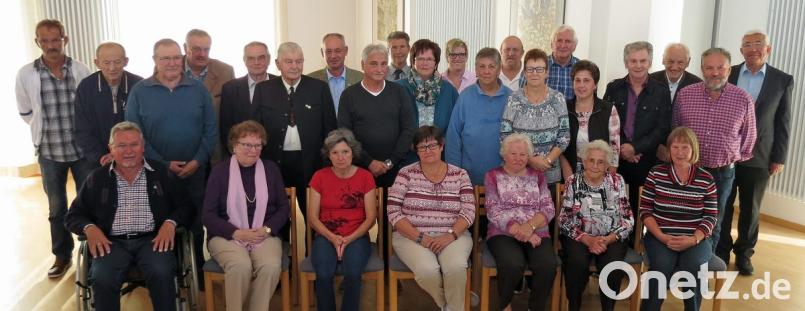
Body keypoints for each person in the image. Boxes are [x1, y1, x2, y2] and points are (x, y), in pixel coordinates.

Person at [65, 121, 193, 311]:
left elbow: (187, 206)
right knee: (102, 277)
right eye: (121, 146)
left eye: (134, 144)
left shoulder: (161, 173)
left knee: (162, 271)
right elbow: (73, 215)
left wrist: (170, 223)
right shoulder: (97, 178)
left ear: (143, 147)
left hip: (153, 239)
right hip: (111, 242)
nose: (128, 151)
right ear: (111, 149)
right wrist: (89, 228)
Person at [125, 38, 218, 287]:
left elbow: (211, 129)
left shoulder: (198, 89)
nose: (172, 63)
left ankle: (196, 270)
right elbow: (134, 134)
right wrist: (164, 163)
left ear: (183, 58)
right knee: (160, 223)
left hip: (195, 171)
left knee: (196, 223)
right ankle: (166, 274)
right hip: (155, 173)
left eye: (176, 57)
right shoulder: (140, 91)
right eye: (165, 58)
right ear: (155, 60)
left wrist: (198, 161)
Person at [15, 19, 94, 278]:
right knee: (57, 207)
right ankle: (62, 256)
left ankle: (91, 254)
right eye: (44, 41)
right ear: (37, 42)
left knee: (87, 204)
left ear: (65, 40)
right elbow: (27, 112)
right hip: (49, 152)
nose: (51, 46)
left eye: (55, 40)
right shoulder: (26, 74)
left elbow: (88, 108)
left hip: (81, 151)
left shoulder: (81, 70)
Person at [721, 30, 794, 275]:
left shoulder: (782, 80)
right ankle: (720, 251)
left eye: (758, 44)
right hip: (726, 154)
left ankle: (744, 254)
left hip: (759, 155)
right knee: (723, 205)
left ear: (768, 49)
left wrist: (779, 157)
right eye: (747, 44)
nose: (753, 48)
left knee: (751, 210)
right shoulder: (726, 73)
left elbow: (783, 122)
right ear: (741, 50)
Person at [674, 47, 757, 253]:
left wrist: (734, 156)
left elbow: (749, 136)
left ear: (729, 69)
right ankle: (684, 265)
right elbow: (675, 129)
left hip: (722, 173)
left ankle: (704, 267)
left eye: (720, 67)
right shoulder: (685, 95)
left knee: (714, 222)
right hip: (688, 170)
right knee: (684, 218)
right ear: (702, 69)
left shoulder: (743, 99)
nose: (715, 72)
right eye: (709, 67)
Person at [202, 120, 288, 310]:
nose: (253, 150)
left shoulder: (271, 169)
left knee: (271, 267)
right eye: (247, 144)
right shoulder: (219, 172)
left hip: (263, 233)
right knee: (240, 266)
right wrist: (236, 233)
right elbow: (207, 215)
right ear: (234, 146)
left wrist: (267, 229)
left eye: (258, 145)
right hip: (227, 235)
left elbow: (283, 208)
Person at [388, 125, 475, 311]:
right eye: (422, 147)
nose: (428, 151)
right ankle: (447, 304)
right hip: (411, 236)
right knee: (427, 271)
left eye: (433, 145)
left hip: (453, 235)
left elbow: (468, 212)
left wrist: (450, 235)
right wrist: (421, 238)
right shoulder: (405, 174)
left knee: (456, 267)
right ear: (416, 150)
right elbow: (394, 212)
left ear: (442, 146)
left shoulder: (460, 175)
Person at [254, 41, 338, 218]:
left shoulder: (319, 88)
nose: (294, 66)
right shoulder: (263, 90)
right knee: (278, 214)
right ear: (278, 64)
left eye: (299, 61)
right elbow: (255, 129)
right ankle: (283, 245)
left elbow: (330, 129)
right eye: (289, 62)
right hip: (275, 163)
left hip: (311, 163)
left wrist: (328, 163)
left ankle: (313, 246)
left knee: (313, 215)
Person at [640, 127, 718, 311]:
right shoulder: (656, 173)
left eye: (685, 147)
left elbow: (711, 217)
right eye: (675, 147)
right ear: (669, 150)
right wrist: (662, 237)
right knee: (661, 266)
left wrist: (693, 239)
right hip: (660, 237)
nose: (680, 152)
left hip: (695, 239)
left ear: (694, 150)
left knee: (694, 265)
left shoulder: (706, 179)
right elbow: (645, 211)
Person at [484, 133, 557, 311]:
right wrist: (520, 230)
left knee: (547, 264)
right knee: (512, 263)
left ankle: (535, 307)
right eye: (513, 154)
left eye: (523, 154)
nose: (518, 158)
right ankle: (505, 305)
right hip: (503, 233)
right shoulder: (492, 175)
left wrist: (530, 227)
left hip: (536, 231)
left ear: (528, 156)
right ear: (504, 154)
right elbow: (493, 210)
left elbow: (548, 208)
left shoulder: (538, 175)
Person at [308, 128, 377, 311]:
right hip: (326, 235)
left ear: (352, 152)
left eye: (345, 152)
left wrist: (349, 239)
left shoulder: (365, 177)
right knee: (323, 274)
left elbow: (371, 217)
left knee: (353, 273)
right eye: (335, 153)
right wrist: (333, 238)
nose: (340, 157)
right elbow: (313, 218)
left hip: (357, 235)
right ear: (328, 155)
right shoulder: (319, 177)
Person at [559, 140, 633, 311]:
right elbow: (564, 219)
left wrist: (607, 239)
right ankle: (574, 306)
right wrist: (587, 239)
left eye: (601, 162)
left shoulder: (616, 181)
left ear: (607, 164)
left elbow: (628, 218)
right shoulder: (573, 181)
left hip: (611, 236)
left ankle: (608, 308)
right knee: (576, 262)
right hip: (580, 236)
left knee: (613, 265)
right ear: (583, 161)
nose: (595, 165)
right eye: (591, 160)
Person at [603, 41, 672, 223]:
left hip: (645, 160)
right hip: (616, 158)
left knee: (638, 207)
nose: (638, 65)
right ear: (626, 63)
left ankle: (634, 246)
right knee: (612, 204)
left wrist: (635, 148)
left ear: (650, 62)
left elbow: (663, 128)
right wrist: (624, 149)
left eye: (643, 60)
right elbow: (605, 121)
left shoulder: (661, 92)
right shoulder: (613, 88)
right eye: (633, 61)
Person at [338, 44, 416, 188]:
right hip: (359, 169)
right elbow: (345, 134)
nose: (380, 69)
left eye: (383, 64)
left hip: (395, 169)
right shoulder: (349, 95)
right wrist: (369, 162)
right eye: (374, 64)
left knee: (391, 210)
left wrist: (390, 162)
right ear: (363, 65)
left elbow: (409, 129)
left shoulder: (399, 92)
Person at [500, 48, 570, 196]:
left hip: (550, 175)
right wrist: (530, 160)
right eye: (530, 69)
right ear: (524, 72)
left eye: (539, 69)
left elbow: (564, 136)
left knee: (548, 217)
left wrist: (548, 161)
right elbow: (505, 135)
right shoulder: (514, 98)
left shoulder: (557, 98)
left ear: (547, 72)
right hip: (519, 172)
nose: (535, 73)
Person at [445, 47, 513, 185]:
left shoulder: (511, 98)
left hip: (505, 178)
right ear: (476, 69)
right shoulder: (465, 97)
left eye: (491, 66)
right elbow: (453, 138)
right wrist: (454, 174)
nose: (486, 71)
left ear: (499, 69)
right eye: (482, 66)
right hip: (469, 179)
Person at [75, 42, 144, 167]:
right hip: (98, 159)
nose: (112, 68)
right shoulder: (86, 87)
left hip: (134, 157)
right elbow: (82, 128)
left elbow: (145, 124)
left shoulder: (139, 85)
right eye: (106, 63)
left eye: (117, 62)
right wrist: (100, 156)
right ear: (97, 63)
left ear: (126, 61)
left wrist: (124, 153)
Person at [560, 60, 620, 179]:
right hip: (569, 171)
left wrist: (609, 178)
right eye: (577, 80)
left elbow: (614, 148)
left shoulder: (608, 109)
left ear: (595, 85)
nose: (581, 85)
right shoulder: (563, 108)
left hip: (600, 172)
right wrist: (567, 171)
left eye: (586, 80)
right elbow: (559, 145)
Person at [183, 29, 235, 164]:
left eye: (207, 49)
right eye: (196, 49)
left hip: (215, 150)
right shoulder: (171, 68)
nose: (202, 54)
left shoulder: (225, 71)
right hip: (181, 149)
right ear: (185, 48)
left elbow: (233, 113)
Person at [219, 41, 278, 157]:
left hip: (275, 156)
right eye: (251, 58)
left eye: (261, 57)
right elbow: (226, 128)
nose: (256, 62)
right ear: (244, 61)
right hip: (242, 156)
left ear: (269, 59)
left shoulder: (280, 84)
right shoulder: (230, 88)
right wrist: (236, 154)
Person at [396, 39, 459, 131]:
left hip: (441, 144)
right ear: (413, 62)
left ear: (436, 63)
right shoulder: (398, 88)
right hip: (406, 144)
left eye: (429, 59)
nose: (425, 63)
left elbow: (456, 124)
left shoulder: (449, 90)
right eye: (420, 58)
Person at [308, 33, 364, 116]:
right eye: (328, 51)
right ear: (322, 53)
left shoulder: (361, 78)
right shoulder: (311, 81)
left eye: (338, 51)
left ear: (346, 51)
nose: (333, 56)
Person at [547, 25, 580, 100]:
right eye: (559, 40)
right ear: (552, 44)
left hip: (573, 112)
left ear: (574, 46)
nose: (563, 45)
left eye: (568, 41)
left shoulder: (582, 68)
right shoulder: (537, 67)